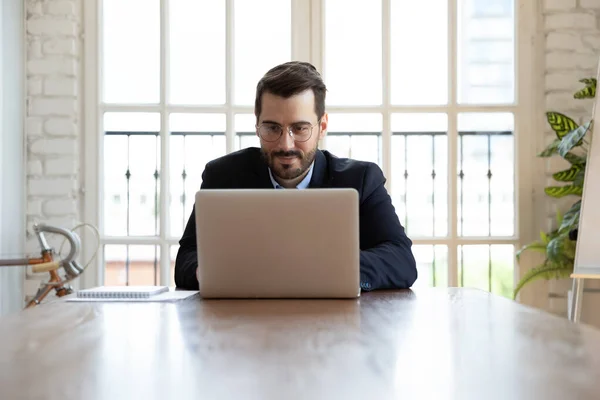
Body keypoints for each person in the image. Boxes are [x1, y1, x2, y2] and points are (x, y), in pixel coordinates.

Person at [174, 61, 417, 291]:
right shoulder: (222, 176)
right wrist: (209, 272)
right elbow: (187, 258)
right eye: (272, 128)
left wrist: (318, 269)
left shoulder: (362, 179)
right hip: (246, 323)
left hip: (336, 325)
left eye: (299, 128)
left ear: (321, 127)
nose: (285, 144)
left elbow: (401, 260)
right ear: (257, 125)